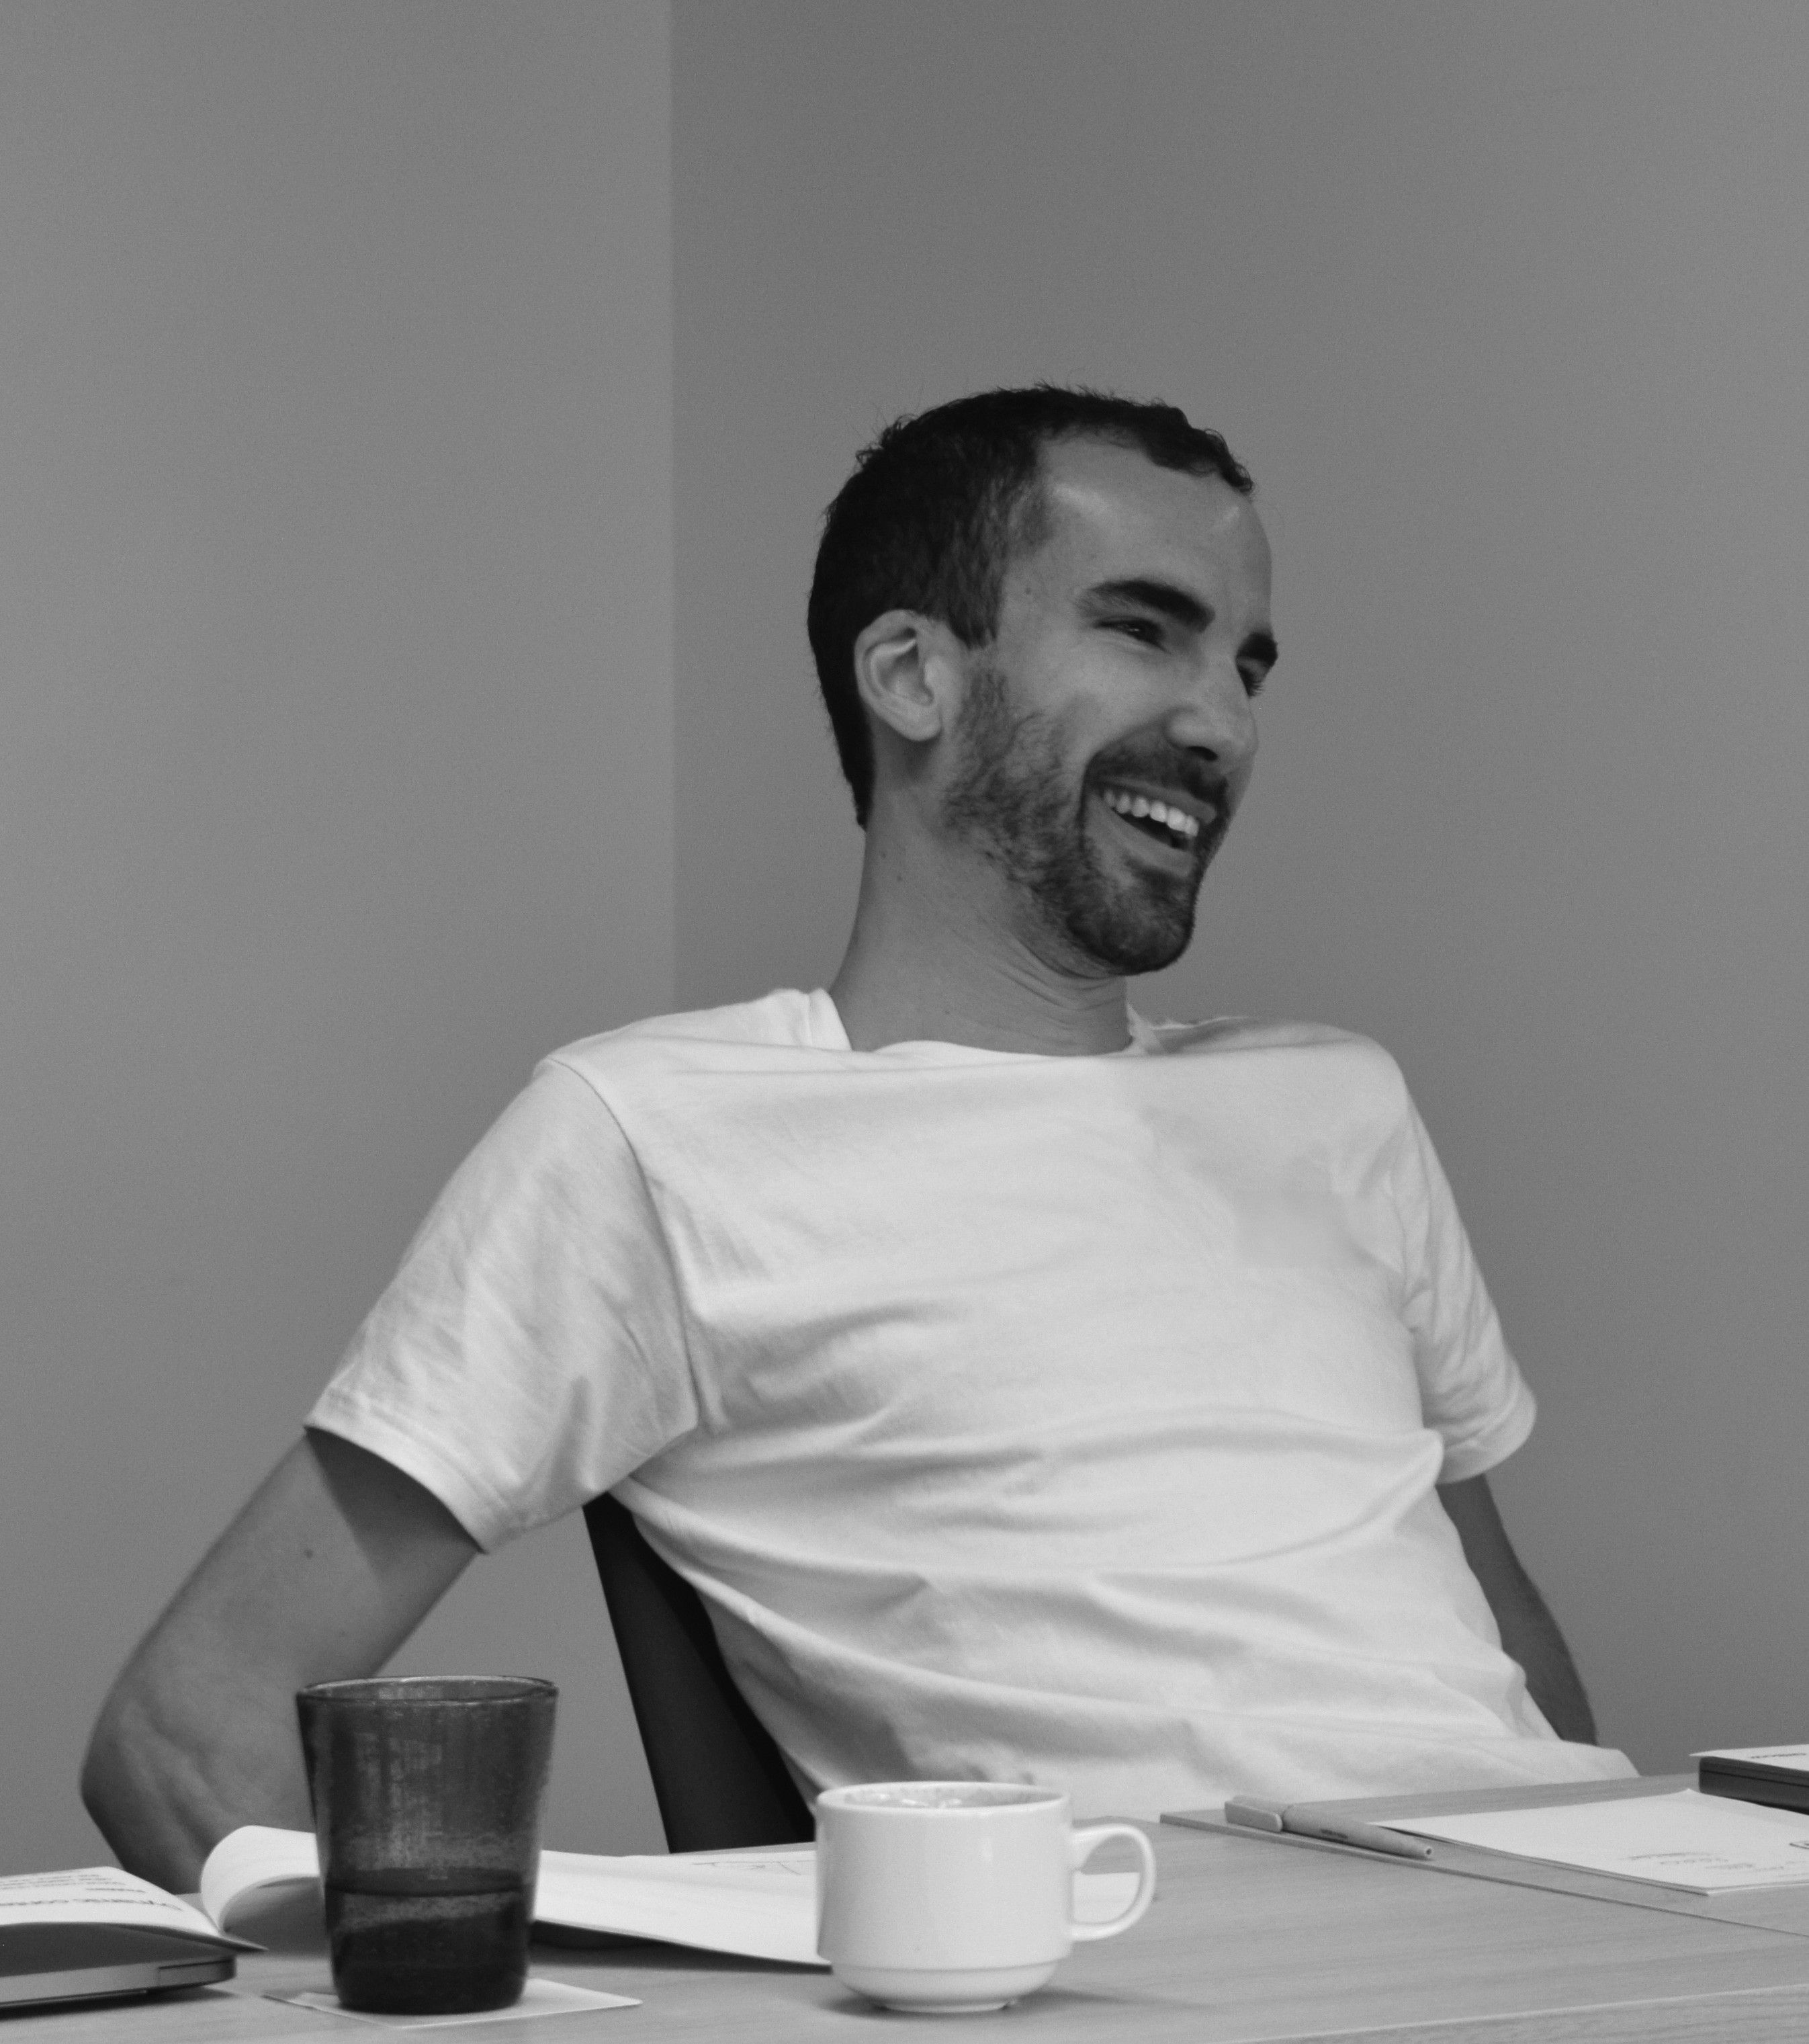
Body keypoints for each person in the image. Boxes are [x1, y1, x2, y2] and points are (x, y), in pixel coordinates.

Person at [83, 386, 1633, 1891]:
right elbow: (185, 1744)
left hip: (1602, 1936)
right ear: (910, 673)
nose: (1220, 720)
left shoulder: (1338, 1100)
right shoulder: (654, 1135)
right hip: (1188, 1974)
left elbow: (1505, 1678)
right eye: (1145, 629)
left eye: (1249, 664)